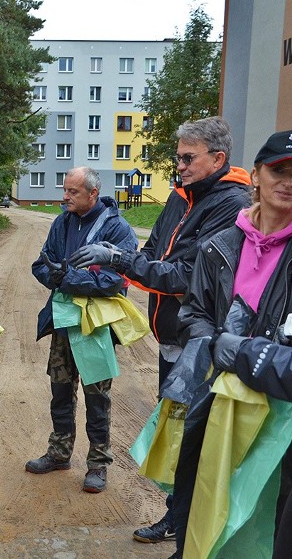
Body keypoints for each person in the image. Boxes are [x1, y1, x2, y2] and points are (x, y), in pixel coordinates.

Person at [69, 116, 251, 541]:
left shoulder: (232, 204)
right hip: (172, 341)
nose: (179, 166)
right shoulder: (180, 195)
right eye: (178, 157)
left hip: (203, 346)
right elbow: (152, 252)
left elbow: (186, 275)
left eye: (188, 158)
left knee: (196, 440)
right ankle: (177, 518)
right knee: (177, 434)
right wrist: (123, 254)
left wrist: (117, 260)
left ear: (218, 158)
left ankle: (192, 530)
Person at [173, 129, 292, 557]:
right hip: (220, 399)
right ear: (255, 175)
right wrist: (210, 345)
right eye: (278, 171)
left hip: (282, 417)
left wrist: (258, 352)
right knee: (202, 503)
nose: (289, 182)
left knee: (260, 517)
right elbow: (194, 311)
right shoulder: (220, 245)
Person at [26, 166, 138, 493]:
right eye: (65, 190)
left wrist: (69, 279)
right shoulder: (62, 222)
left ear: (92, 193)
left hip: (95, 327)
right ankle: (59, 453)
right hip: (64, 322)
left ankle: (99, 464)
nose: (64, 197)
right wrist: (56, 276)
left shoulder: (117, 230)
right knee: (60, 390)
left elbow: (117, 280)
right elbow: (40, 265)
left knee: (96, 397)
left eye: (72, 192)